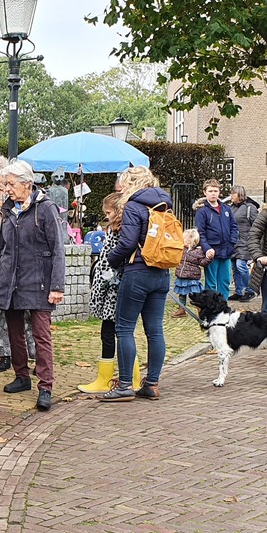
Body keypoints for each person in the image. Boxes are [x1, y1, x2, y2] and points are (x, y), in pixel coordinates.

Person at [0, 160, 65, 412]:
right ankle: (22, 376)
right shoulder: (7, 209)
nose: (7, 189)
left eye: (11, 184)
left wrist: (57, 286)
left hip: (39, 282)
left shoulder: (46, 209)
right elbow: (2, 248)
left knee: (41, 334)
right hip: (11, 281)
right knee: (14, 331)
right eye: (6, 184)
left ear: (27, 183)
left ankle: (46, 386)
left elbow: (58, 249)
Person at [99, 166, 172, 402]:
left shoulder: (133, 206)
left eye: (123, 184)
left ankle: (124, 386)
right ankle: (151, 384)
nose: (120, 189)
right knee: (155, 330)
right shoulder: (163, 205)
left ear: (131, 183)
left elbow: (128, 243)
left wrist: (111, 259)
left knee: (124, 328)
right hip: (161, 272)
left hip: (138, 271)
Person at [0, 155, 37, 373]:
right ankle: (5, 353)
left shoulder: (18, 198)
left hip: (19, 263)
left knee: (28, 309)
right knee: (3, 308)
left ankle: (33, 352)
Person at [78, 193, 122, 393]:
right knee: (120, 333)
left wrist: (102, 282)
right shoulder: (118, 230)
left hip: (114, 289)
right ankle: (123, 377)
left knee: (112, 333)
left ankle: (107, 379)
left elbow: (109, 260)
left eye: (108, 212)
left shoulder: (118, 232)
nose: (106, 216)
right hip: (114, 288)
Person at [194, 178, 238, 299]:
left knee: (225, 281)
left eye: (215, 191)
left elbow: (233, 226)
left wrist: (233, 241)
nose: (213, 193)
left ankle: (223, 306)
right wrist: (207, 248)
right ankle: (210, 307)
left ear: (219, 192)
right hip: (211, 251)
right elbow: (200, 232)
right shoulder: (202, 211)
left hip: (226, 250)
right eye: (210, 191)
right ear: (205, 192)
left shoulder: (226, 209)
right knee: (211, 282)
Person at [171, 228, 211, 317]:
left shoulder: (198, 252)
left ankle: (200, 309)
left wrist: (208, 259)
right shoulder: (182, 249)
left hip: (192, 277)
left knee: (195, 294)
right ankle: (182, 309)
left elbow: (202, 263)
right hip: (181, 276)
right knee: (182, 294)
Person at [229, 185, 258, 301]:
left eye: (233, 194)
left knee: (241, 266)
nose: (231, 196)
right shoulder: (231, 208)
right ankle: (238, 291)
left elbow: (257, 226)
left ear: (239, 194)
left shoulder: (250, 208)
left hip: (245, 242)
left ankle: (250, 290)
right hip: (234, 242)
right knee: (234, 267)